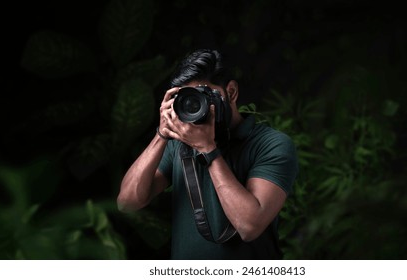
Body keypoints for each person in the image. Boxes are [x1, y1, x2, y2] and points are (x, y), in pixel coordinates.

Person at [117, 49, 298, 259]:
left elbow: (249, 226)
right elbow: (127, 203)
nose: (196, 107)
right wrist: (162, 134)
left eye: (205, 96)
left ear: (231, 92)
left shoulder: (271, 144)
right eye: (188, 98)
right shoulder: (179, 142)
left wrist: (208, 150)